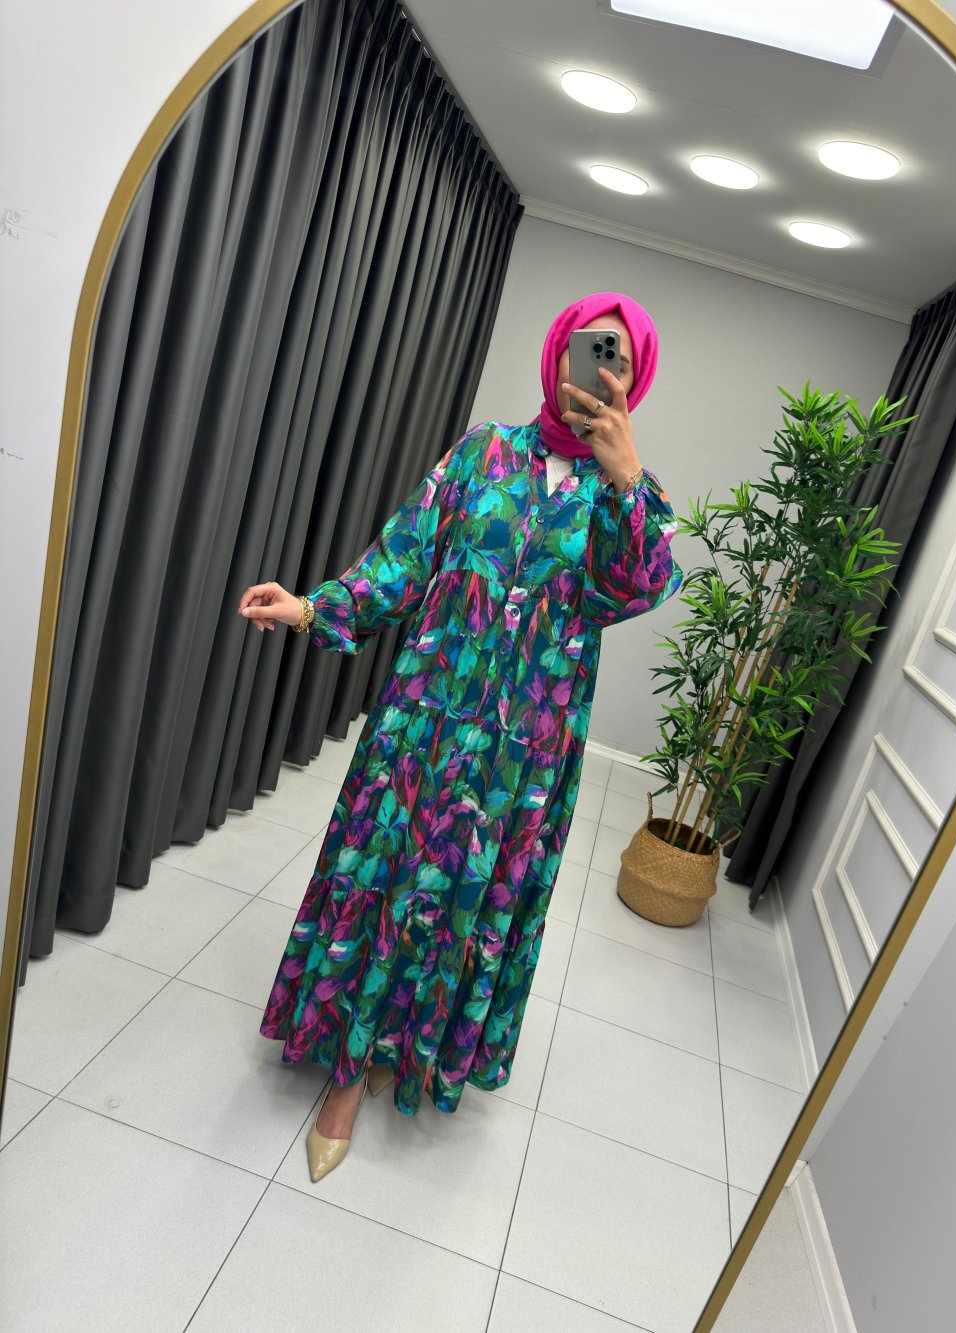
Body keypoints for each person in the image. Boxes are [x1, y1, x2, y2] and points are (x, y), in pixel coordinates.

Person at [238, 291, 683, 1181]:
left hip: (525, 754)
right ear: (558, 352)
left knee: (462, 903)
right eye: (590, 349)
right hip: (427, 720)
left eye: (620, 361)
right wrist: (312, 607)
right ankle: (346, 1074)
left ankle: (404, 1047)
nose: (600, 371)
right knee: (389, 878)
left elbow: (633, 590)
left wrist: (626, 479)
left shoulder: (633, 497)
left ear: (634, 382)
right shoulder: (484, 453)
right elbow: (404, 560)